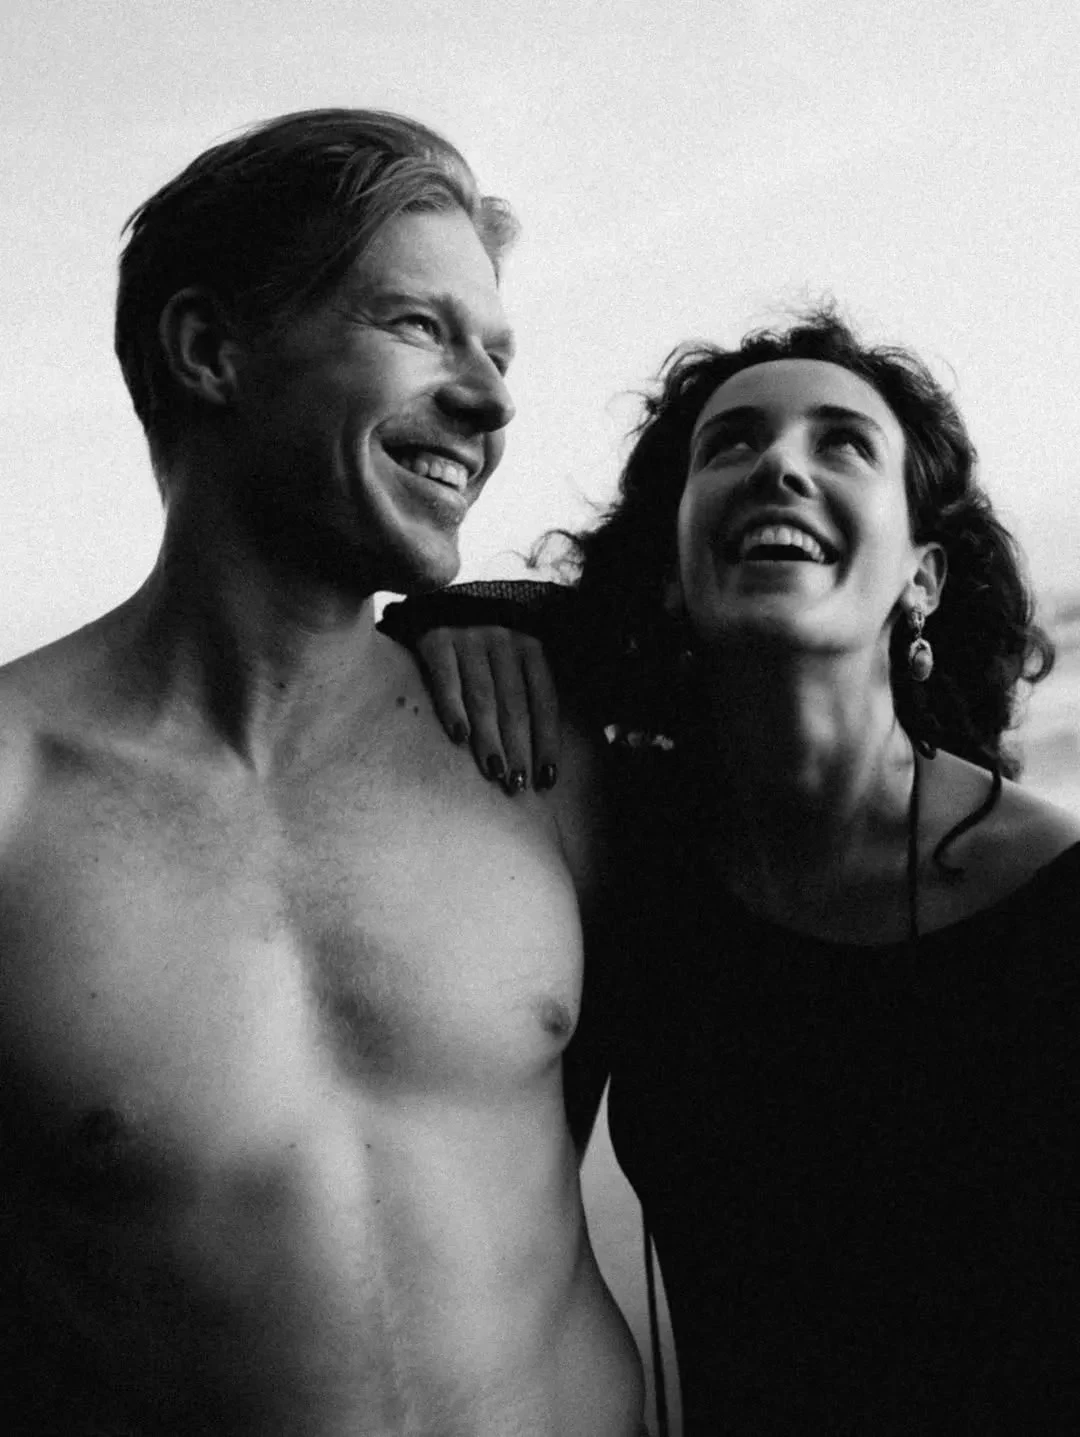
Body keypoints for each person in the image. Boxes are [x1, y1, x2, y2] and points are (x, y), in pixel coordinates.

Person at [0, 109, 644, 1435]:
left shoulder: (539, 754)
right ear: (209, 349)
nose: (490, 399)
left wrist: (523, 613)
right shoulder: (15, 803)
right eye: (418, 327)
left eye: (497, 351)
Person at [384, 310, 1080, 1433]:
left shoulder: (1053, 898)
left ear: (923, 578)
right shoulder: (633, 868)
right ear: (672, 571)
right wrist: (454, 619)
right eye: (733, 443)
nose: (781, 467)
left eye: (842, 442)